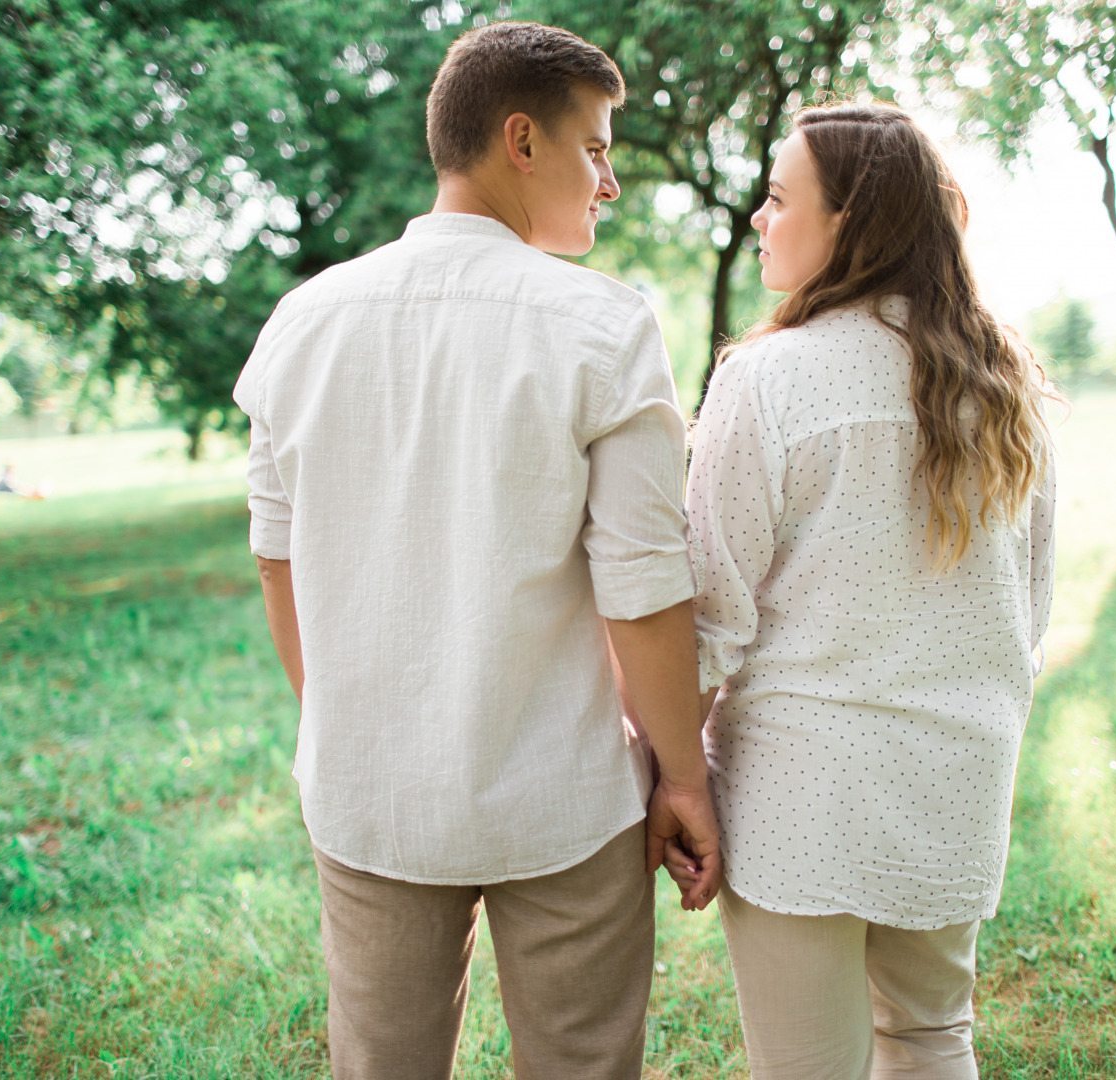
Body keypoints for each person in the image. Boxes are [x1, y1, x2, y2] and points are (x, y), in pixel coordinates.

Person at [231, 22, 721, 1080]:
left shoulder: (299, 322)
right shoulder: (604, 327)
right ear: (520, 141)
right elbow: (639, 589)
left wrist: (344, 724)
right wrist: (683, 774)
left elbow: (278, 562)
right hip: (565, 794)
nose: (610, 182)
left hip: (368, 797)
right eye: (595, 148)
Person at [674, 102, 1059, 1080]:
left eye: (775, 198)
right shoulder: (1003, 380)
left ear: (848, 221)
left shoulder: (768, 379)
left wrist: (670, 770)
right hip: (958, 775)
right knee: (933, 1040)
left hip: (799, 794)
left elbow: (708, 620)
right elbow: (1030, 606)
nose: (758, 219)